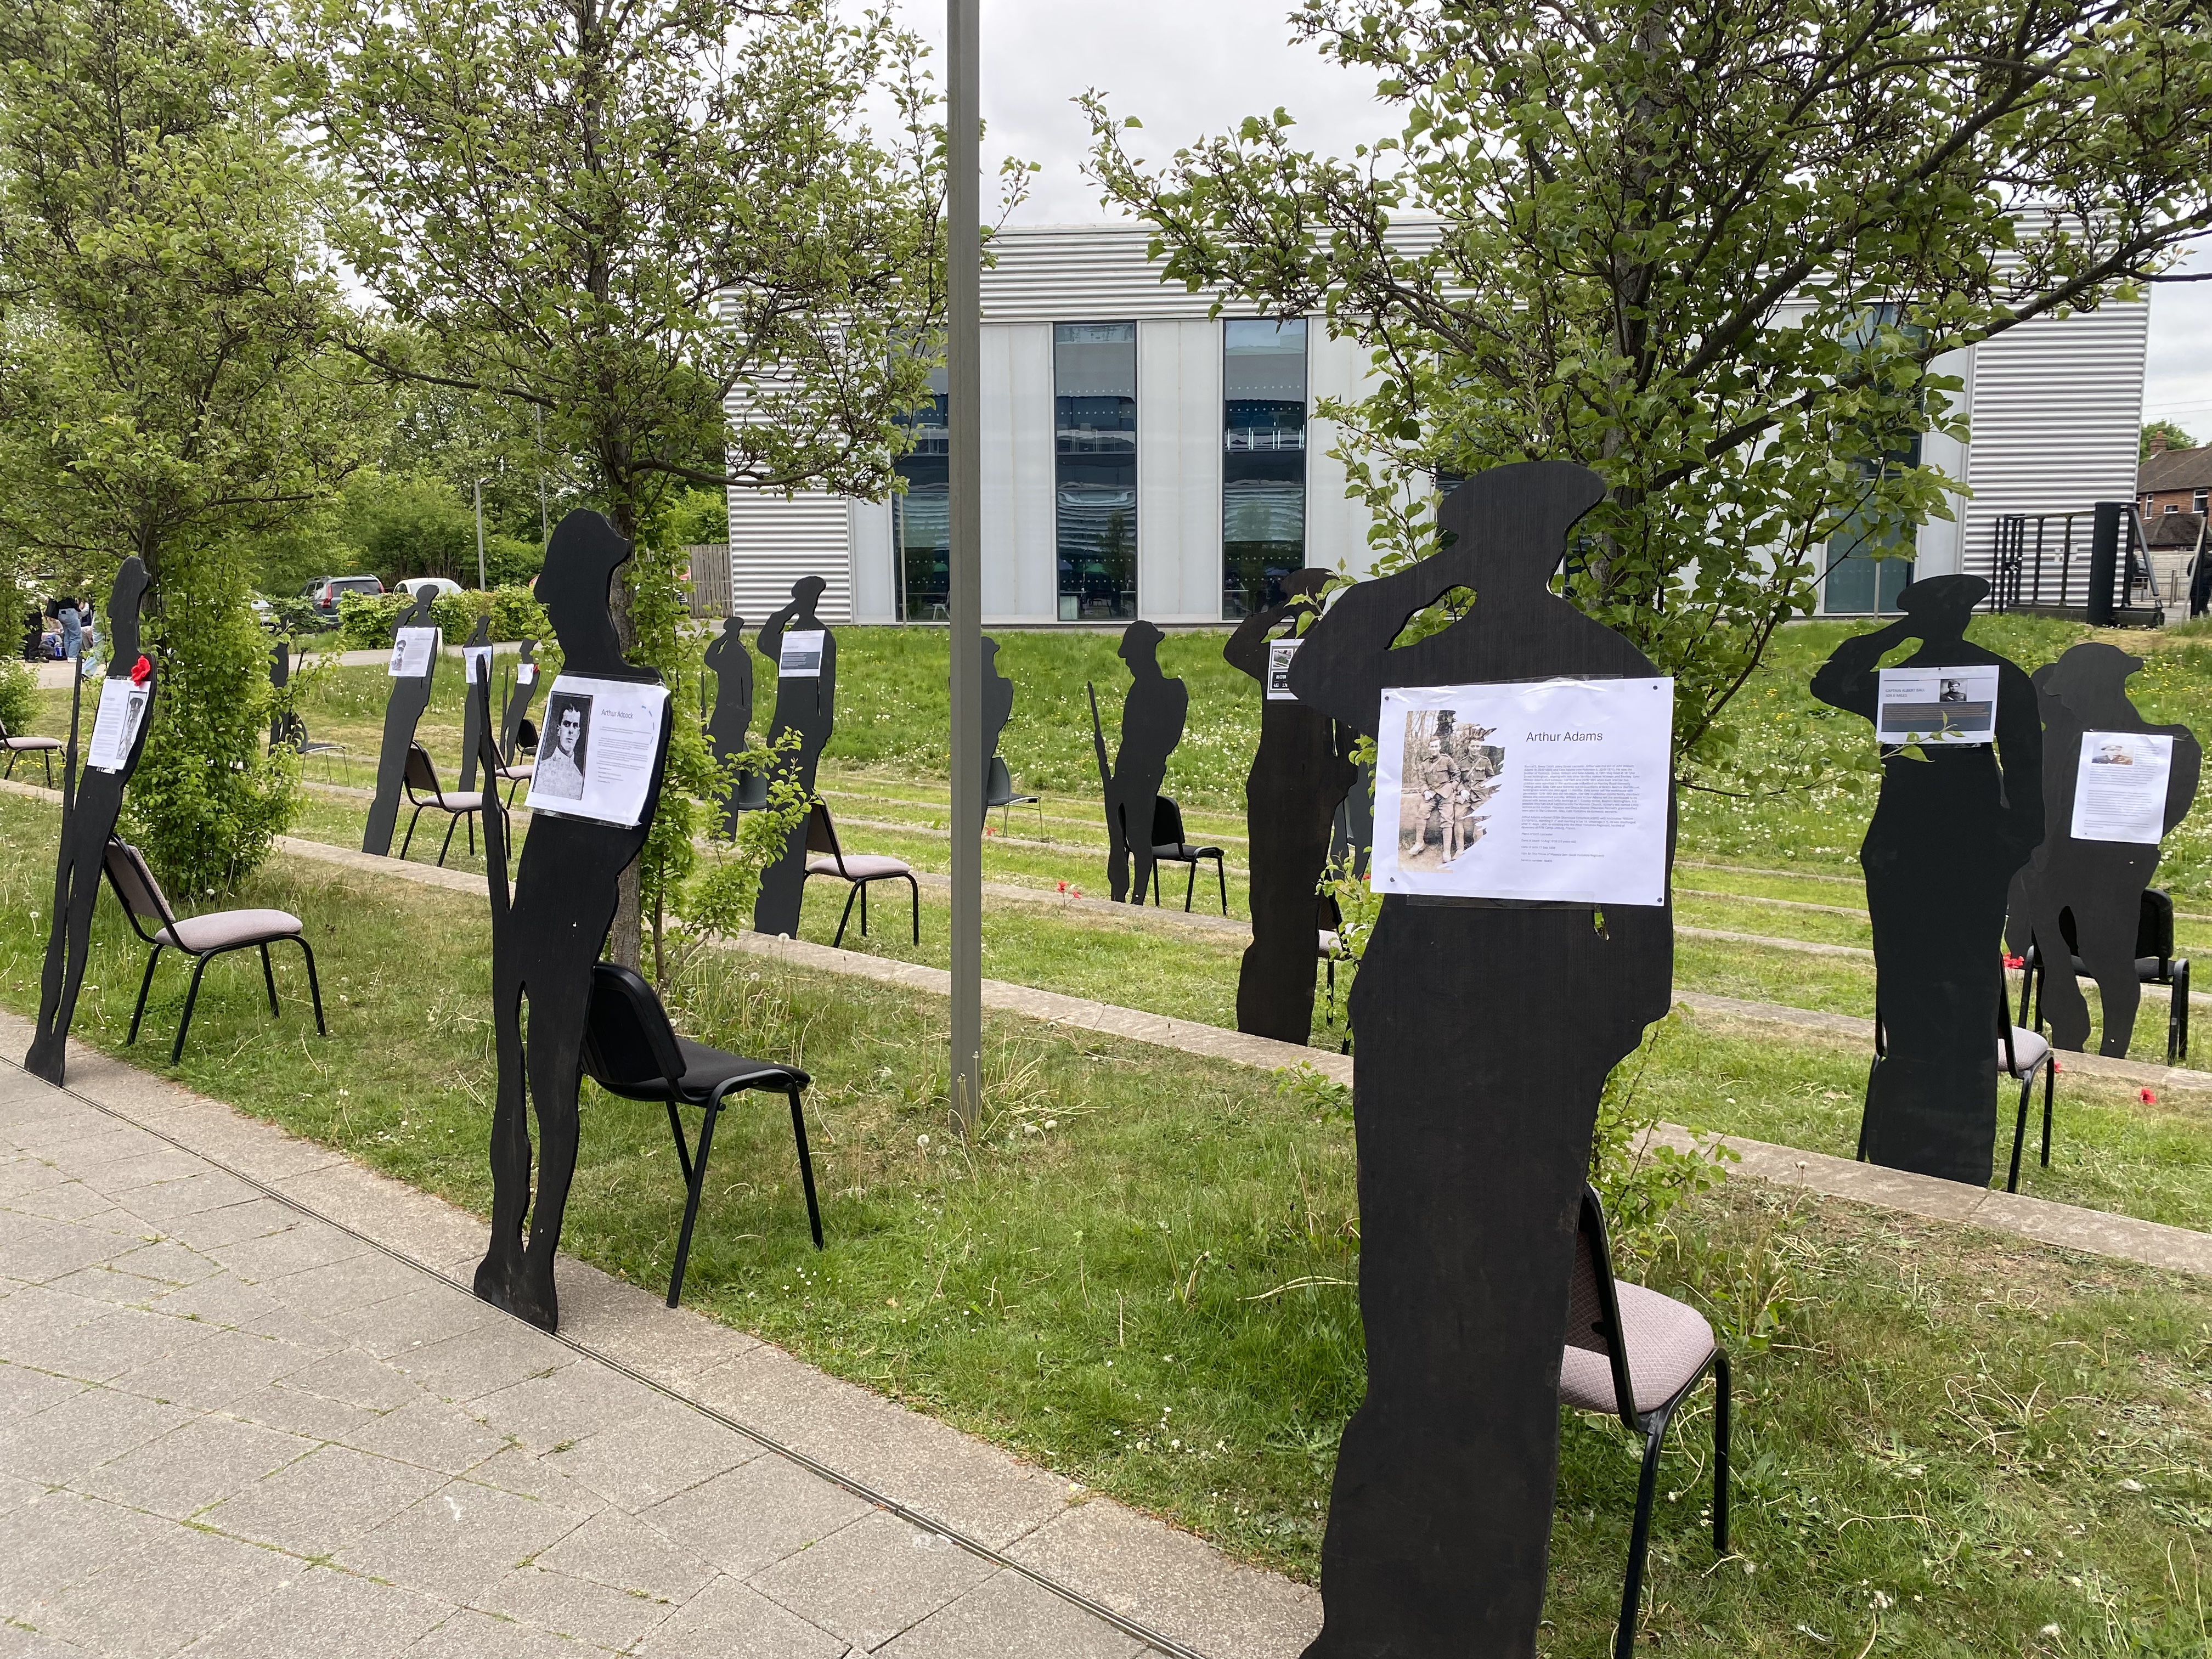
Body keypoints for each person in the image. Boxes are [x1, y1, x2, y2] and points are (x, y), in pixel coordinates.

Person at [1286, 460, 1674, 1658]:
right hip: (1456, 1022)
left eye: (1482, 534)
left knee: (1473, 1336)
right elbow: (1327, 673)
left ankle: (1444, 1624)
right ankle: (1393, 1618)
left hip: (1502, 1022)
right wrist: (1447, 573)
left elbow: (1646, 888)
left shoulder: (1600, 669)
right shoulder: (1453, 672)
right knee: (1425, 1325)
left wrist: (1604, 1014)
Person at [1812, 574, 2041, 1182]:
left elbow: (2028, 785)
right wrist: (1894, 635)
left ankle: (1955, 1141)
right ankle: (1904, 1131)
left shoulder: (1999, 680)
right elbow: (1827, 681)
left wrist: (2007, 849)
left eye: (1947, 612)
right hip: (1902, 851)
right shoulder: (1898, 684)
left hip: (1967, 852)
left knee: (1963, 990)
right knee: (1906, 987)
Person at [535, 703, 585, 797]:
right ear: (559, 730)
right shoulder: (542, 770)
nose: (571, 731)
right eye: (567, 724)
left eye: (575, 726)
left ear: (578, 733)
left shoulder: (580, 780)